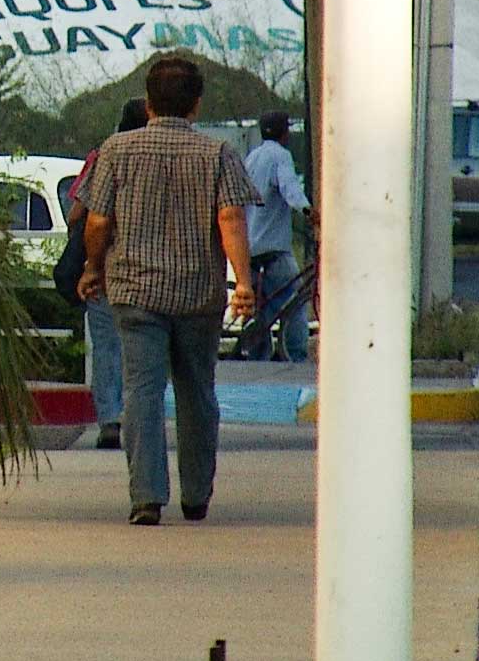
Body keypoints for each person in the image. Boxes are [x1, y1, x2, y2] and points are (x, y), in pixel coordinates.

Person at [77, 56, 258, 526]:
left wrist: (93, 267)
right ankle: (196, 495)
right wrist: (243, 282)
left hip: (135, 291)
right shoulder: (218, 153)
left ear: (148, 101)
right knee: (198, 391)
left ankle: (146, 496)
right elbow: (231, 218)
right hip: (199, 293)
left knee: (141, 389)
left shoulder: (116, 150)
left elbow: (97, 221)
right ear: (196, 104)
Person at [65, 97, 149, 449]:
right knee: (145, 346)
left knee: (105, 345)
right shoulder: (161, 157)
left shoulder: (103, 156)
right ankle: (141, 416)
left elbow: (77, 215)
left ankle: (109, 419)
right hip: (148, 268)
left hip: (103, 266)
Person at [244, 110, 313, 362]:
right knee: (294, 303)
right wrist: (309, 211)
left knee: (259, 306)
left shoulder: (251, 158)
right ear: (284, 133)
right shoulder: (280, 156)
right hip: (273, 249)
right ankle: (295, 354)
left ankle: (256, 354)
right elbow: (290, 189)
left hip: (249, 246)